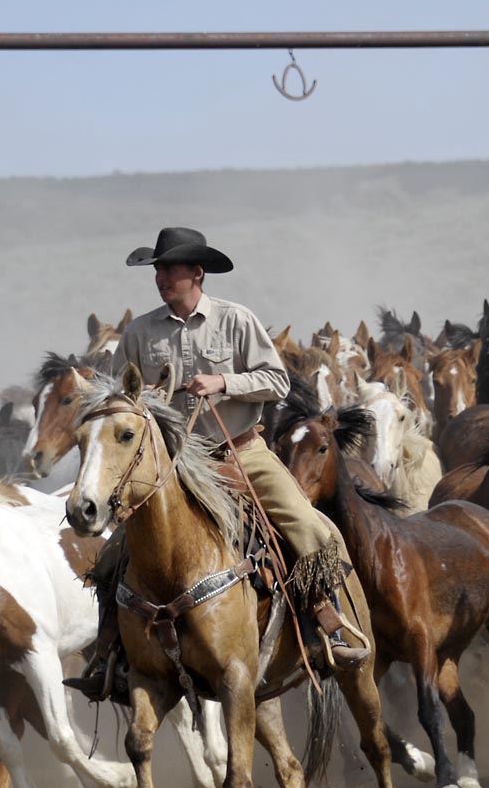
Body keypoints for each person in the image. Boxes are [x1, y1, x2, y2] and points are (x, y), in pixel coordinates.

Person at [67, 227, 369, 701]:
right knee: (111, 561)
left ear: (196, 272)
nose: (161, 277)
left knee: (310, 529)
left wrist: (224, 383)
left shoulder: (235, 320)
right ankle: (110, 657)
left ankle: (327, 628)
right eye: (158, 270)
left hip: (241, 454)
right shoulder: (141, 332)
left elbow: (277, 382)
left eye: (170, 269)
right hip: (172, 468)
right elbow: (117, 397)